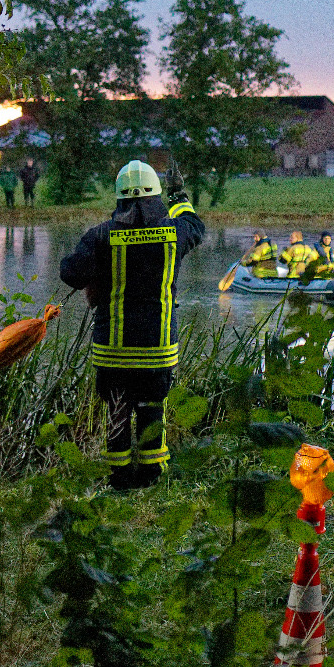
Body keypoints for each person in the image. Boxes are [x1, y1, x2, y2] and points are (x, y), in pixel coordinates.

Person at [59, 161, 204, 489]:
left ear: (119, 198)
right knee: (153, 411)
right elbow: (194, 224)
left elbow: (70, 273)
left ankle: (120, 480)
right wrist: (178, 193)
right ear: (156, 196)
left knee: (118, 414)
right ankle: (151, 478)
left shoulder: (100, 235)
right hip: (158, 350)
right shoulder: (175, 232)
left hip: (113, 351)